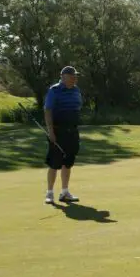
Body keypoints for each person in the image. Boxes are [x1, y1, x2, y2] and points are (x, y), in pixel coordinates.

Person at [44, 66, 82, 204]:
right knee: (54, 163)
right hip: (58, 132)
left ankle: (65, 192)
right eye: (72, 76)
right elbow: (48, 111)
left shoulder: (76, 90)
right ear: (63, 77)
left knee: (68, 162)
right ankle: (49, 193)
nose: (75, 78)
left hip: (72, 131)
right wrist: (50, 131)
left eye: (75, 76)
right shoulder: (54, 91)